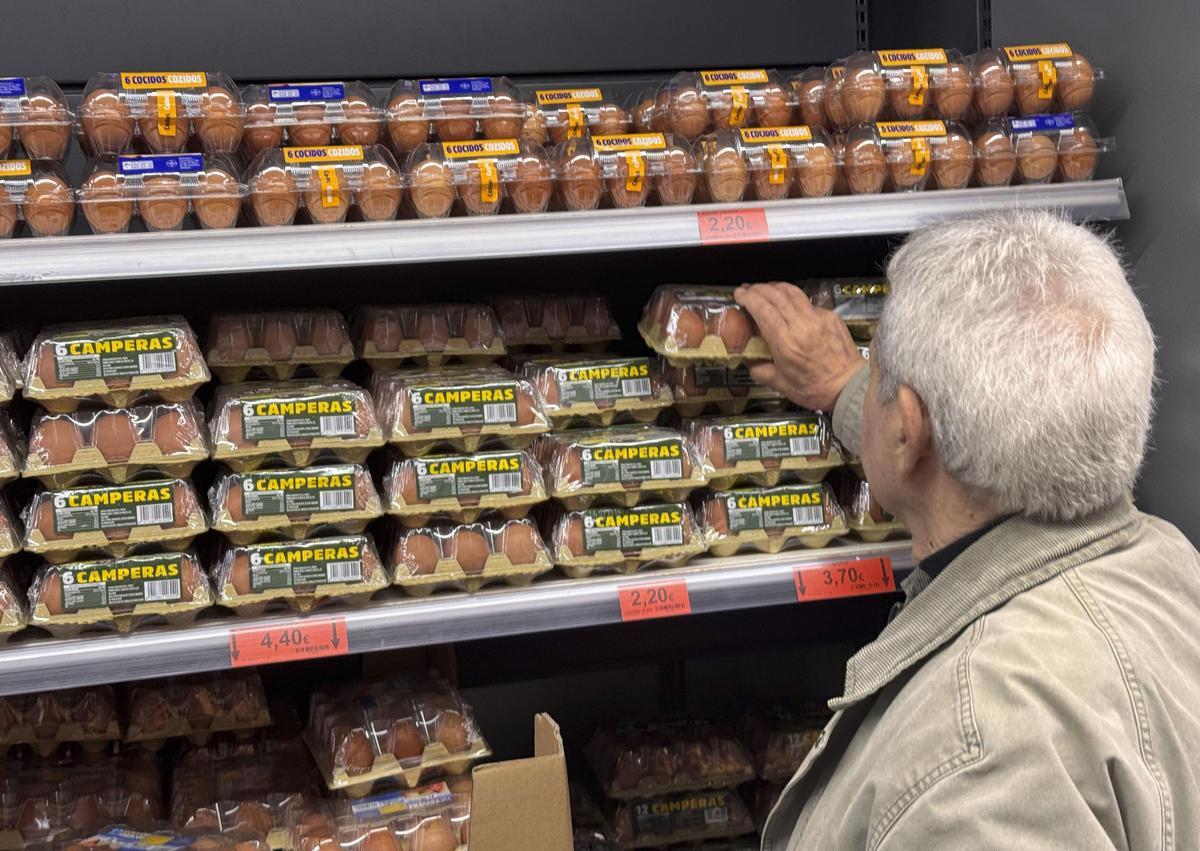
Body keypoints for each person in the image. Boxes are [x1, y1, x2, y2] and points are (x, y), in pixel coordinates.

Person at [735, 212, 1200, 850]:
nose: (869, 384)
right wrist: (846, 387)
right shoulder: (1171, 566)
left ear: (907, 432)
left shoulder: (975, 765)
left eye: (877, 372)